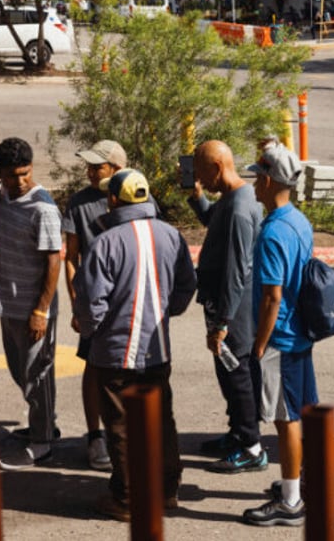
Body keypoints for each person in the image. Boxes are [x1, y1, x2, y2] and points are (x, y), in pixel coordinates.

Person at [73, 169, 196, 521]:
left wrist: (90, 329)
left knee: (122, 427)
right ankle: (168, 490)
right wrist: (164, 312)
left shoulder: (106, 242)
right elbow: (187, 285)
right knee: (162, 421)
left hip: (115, 353)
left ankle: (127, 499)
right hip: (157, 349)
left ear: (113, 199)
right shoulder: (171, 235)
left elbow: (91, 302)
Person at [242, 143, 317, 527]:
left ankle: (291, 502)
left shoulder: (272, 232)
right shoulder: (299, 220)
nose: (254, 183)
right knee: (299, 413)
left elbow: (272, 296)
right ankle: (297, 482)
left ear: (269, 180)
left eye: (257, 176)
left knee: (285, 419)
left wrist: (259, 343)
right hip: (300, 333)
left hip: (281, 338)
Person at [0, 138, 62, 470]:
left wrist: (41, 310)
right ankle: (44, 425)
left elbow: (54, 261)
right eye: (12, 175)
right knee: (21, 372)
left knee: (37, 375)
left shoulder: (42, 207)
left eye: (25, 173)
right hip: (8, 304)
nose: (20, 181)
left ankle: (43, 443)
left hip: (33, 310)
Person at [187, 141, 268, 474]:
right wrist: (196, 197)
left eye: (202, 173)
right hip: (225, 305)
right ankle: (237, 433)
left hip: (233, 308)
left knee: (238, 374)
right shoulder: (230, 199)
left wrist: (223, 321)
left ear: (217, 167)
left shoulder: (238, 208)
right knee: (229, 371)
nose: (201, 179)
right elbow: (213, 222)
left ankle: (251, 446)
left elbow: (237, 272)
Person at [63, 140, 129, 472]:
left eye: (97, 167)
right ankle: (94, 436)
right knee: (92, 367)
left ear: (116, 170)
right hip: (95, 302)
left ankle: (130, 435)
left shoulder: (136, 196)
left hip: (129, 302)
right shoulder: (78, 203)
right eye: (88, 166)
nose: (90, 172)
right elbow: (71, 258)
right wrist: (77, 304)